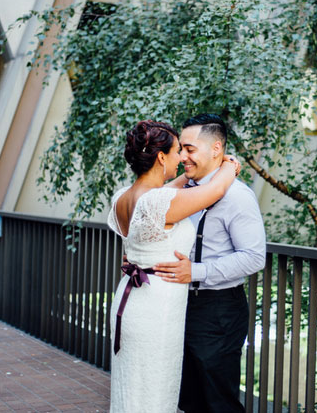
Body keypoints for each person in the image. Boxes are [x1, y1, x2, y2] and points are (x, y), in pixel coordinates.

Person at [106, 120, 240, 413]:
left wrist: (187, 176)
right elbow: (215, 190)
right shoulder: (158, 203)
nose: (182, 158)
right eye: (178, 151)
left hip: (131, 302)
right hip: (157, 308)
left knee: (132, 386)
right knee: (155, 390)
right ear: (161, 157)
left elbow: (166, 192)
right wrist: (229, 164)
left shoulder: (124, 198)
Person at [153, 114, 266, 412]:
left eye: (190, 149)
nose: (183, 157)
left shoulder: (238, 197)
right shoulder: (186, 190)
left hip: (218, 310)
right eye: (182, 150)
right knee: (189, 397)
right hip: (180, 305)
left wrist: (197, 272)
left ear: (216, 149)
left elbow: (254, 257)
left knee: (219, 400)